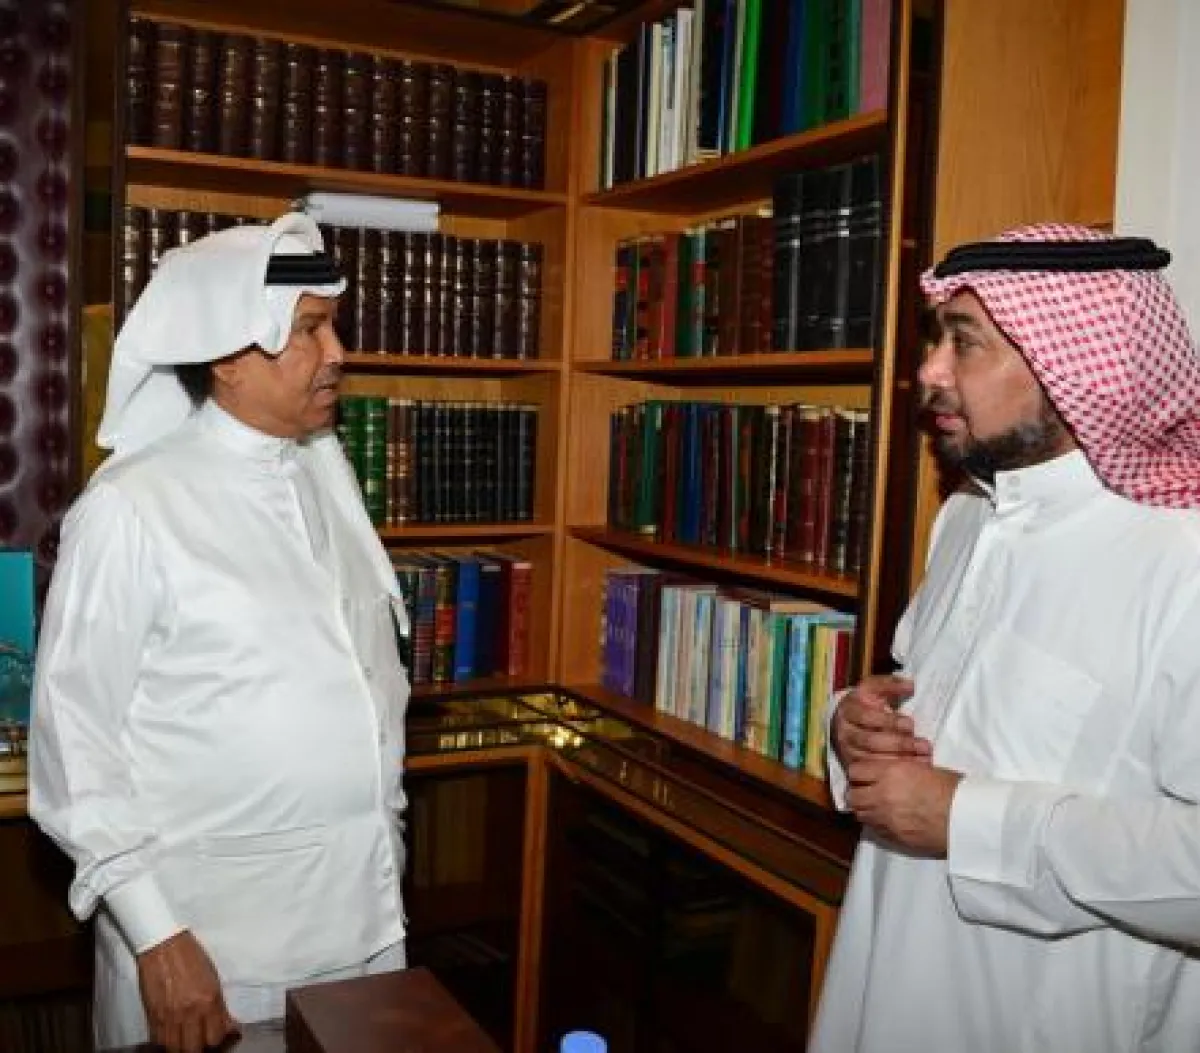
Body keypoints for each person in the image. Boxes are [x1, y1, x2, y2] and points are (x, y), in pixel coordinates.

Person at [811, 223, 1200, 1052]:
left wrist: (967, 818)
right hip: (882, 982)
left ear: (1078, 368)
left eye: (964, 342)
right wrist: (851, 724)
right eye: (936, 340)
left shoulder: (1183, 559)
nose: (929, 372)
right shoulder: (965, 515)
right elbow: (944, 712)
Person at [27, 213, 411, 1053]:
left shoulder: (325, 473)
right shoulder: (131, 508)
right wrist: (156, 933)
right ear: (228, 356)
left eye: (333, 325)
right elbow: (74, 743)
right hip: (212, 952)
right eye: (310, 329)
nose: (338, 352)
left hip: (364, 923)